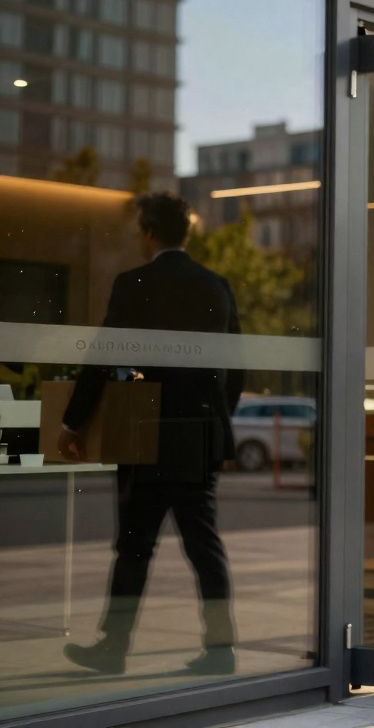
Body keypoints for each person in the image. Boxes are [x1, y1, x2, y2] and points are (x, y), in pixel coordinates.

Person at [58, 192, 244, 675]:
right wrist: (216, 421)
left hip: (147, 433)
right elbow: (236, 369)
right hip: (198, 435)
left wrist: (73, 422)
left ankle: (113, 647)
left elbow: (102, 357)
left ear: (149, 232)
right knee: (204, 544)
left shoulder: (134, 284)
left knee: (135, 545)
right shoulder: (216, 286)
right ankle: (221, 649)